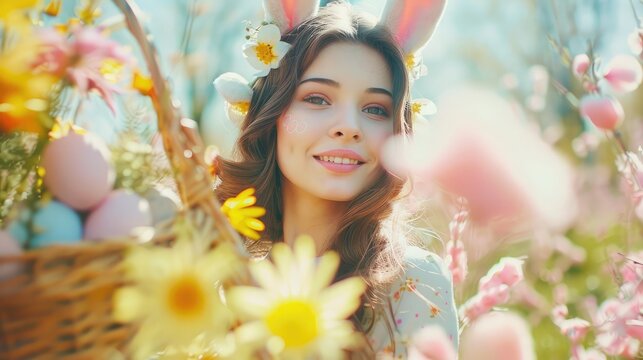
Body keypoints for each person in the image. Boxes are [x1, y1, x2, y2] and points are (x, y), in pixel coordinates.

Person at [215, 1, 458, 357]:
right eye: (317, 98)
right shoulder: (219, 279)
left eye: (375, 109)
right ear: (272, 113)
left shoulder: (414, 282)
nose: (349, 127)